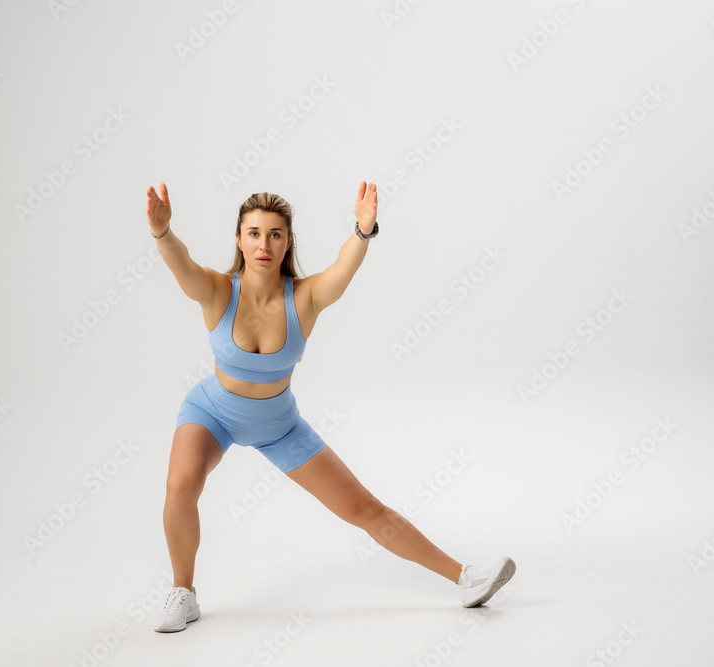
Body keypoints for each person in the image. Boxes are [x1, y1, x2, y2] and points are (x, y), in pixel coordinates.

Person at [145, 181, 515, 633]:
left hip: (279, 425)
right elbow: (181, 264)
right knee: (181, 485)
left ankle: (465, 578)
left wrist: (363, 231)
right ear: (239, 239)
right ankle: (183, 592)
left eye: (275, 234)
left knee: (365, 508)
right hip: (212, 412)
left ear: (288, 242)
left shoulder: (305, 297)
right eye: (255, 232)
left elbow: (342, 269)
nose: (264, 243)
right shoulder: (217, 291)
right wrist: (163, 233)